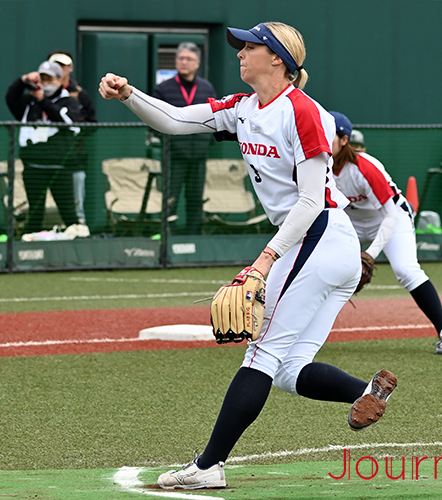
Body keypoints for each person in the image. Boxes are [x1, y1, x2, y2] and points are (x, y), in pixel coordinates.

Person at [100, 21, 397, 490]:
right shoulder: (243, 108)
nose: (239, 53)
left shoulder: (303, 111)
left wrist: (266, 259)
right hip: (323, 245)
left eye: (249, 46)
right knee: (287, 370)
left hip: (317, 236)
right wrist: (129, 95)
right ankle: (366, 392)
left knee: (259, 355)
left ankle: (208, 466)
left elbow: (310, 201)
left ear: (277, 58)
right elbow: (177, 121)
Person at [329, 111, 442, 355]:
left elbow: (391, 214)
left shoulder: (365, 167)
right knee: (323, 268)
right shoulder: (318, 165)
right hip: (352, 222)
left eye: (328, 133)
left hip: (389, 217)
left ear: (344, 140)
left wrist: (369, 254)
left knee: (406, 269)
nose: (321, 136)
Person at [6, 61, 83, 233]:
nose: (45, 83)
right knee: (34, 213)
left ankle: (78, 249)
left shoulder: (68, 101)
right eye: (43, 79)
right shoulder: (29, 101)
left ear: (59, 80)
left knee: (69, 212)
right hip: (34, 166)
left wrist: (43, 101)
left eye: (50, 79)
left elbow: (67, 122)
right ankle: (31, 250)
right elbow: (10, 98)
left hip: (59, 167)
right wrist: (23, 80)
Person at [151, 42, 218, 235]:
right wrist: (169, 141)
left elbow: (215, 117)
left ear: (197, 63)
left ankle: (194, 236)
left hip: (199, 154)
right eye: (180, 58)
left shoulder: (207, 88)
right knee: (170, 197)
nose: (184, 62)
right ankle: (166, 237)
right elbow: (154, 119)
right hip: (174, 156)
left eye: (189, 59)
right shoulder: (163, 89)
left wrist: (206, 143)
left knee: (195, 198)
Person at [47, 51, 97, 224]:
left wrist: (74, 132)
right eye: (55, 65)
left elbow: (92, 123)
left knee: (75, 204)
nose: (59, 69)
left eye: (63, 65)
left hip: (74, 157)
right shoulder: (40, 94)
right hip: (47, 157)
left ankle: (78, 232)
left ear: (70, 68)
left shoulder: (81, 95)